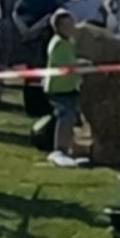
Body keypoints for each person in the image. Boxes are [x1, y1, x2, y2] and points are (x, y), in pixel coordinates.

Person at [44, 9, 88, 163]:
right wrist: (86, 64)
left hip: (68, 86)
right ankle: (60, 149)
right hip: (59, 88)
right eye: (68, 25)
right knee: (66, 118)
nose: (72, 27)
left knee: (70, 118)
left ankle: (70, 148)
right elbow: (70, 64)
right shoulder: (59, 44)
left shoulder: (67, 42)